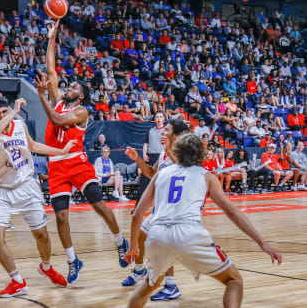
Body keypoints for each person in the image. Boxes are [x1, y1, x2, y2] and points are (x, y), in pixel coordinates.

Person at [125, 133, 281, 308]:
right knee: (233, 280)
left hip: (158, 234)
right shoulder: (206, 176)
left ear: (177, 151)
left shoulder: (161, 174)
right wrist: (262, 243)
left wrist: (133, 246)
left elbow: (137, 214)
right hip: (189, 233)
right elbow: (233, 212)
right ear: (201, 154)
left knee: (147, 286)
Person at [37, 20, 129, 285]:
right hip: (56, 164)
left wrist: (43, 96)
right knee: (61, 217)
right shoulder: (58, 101)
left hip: (77, 162)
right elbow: (51, 69)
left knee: (98, 205)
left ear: (81, 97)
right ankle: (72, 259)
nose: (69, 87)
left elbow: (56, 121)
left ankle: (119, 241)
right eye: (70, 85)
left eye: (75, 87)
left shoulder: (81, 112)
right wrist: (52, 39)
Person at [0, 97, 71, 297]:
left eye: (4, 112)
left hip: (27, 186)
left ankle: (46, 267)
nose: (2, 116)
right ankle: (17, 281)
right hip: (1, 189)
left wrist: (61, 151)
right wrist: (13, 111)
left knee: (42, 235)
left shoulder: (20, 125)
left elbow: (33, 146)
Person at [122, 119, 189, 299]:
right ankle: (139, 270)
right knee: (141, 237)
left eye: (166, 129)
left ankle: (171, 285)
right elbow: (151, 173)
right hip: (160, 207)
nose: (162, 132)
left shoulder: (183, 152)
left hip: (175, 209)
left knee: (163, 245)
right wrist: (137, 159)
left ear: (175, 136)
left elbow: (185, 171)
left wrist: (168, 150)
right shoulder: (164, 154)